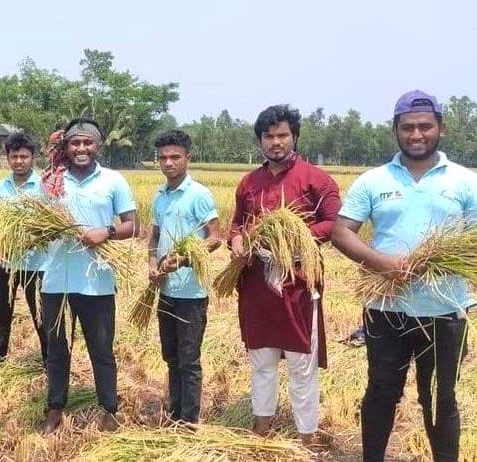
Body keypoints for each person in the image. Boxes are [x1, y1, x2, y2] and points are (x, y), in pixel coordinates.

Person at [331, 90, 476, 462]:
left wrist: (447, 265)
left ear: (440, 128)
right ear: (395, 130)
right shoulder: (373, 180)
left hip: (445, 311)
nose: (416, 134)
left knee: (440, 399)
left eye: (425, 126)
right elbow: (341, 231)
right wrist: (381, 263)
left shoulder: (464, 181)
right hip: (385, 308)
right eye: (408, 127)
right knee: (381, 391)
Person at [229, 105, 340, 445]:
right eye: (269, 136)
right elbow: (237, 223)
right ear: (260, 141)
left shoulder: (316, 179)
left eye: (282, 135)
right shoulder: (249, 183)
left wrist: (296, 237)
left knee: (300, 364)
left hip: (299, 282)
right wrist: (236, 241)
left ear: (294, 137)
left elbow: (335, 224)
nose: (276, 142)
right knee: (261, 360)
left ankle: (305, 436)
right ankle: (262, 429)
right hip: (258, 284)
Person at [40, 117, 139, 433]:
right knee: (55, 349)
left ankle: (109, 409)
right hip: (56, 278)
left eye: (87, 142)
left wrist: (106, 232)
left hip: (97, 280)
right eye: (75, 143)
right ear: (66, 147)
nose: (81, 148)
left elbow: (132, 224)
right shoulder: (53, 181)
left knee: (101, 349)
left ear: (98, 145)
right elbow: (38, 224)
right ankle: (55, 407)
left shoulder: (113, 181)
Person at [147, 129, 221, 424]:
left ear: (187, 158)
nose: (168, 163)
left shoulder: (199, 194)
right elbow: (153, 235)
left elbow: (215, 237)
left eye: (175, 157)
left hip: (191, 294)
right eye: (163, 158)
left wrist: (184, 259)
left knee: (189, 361)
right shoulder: (160, 196)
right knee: (171, 357)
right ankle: (174, 413)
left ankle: (188, 422)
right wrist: (152, 263)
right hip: (166, 291)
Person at [0, 132, 47, 364]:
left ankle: (49, 363)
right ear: (8, 158)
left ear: (33, 157)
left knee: (42, 316)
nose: (19, 161)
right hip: (4, 263)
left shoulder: (44, 186)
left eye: (24, 156)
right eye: (14, 157)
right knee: (0, 314)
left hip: (37, 264)